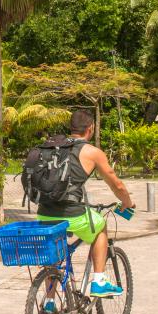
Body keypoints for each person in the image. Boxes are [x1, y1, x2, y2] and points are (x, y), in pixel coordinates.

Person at [36, 110, 136, 299]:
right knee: (100, 226)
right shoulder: (92, 152)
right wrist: (127, 203)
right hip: (72, 215)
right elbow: (116, 183)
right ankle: (98, 281)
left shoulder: (52, 148)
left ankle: (49, 303)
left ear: (71, 128)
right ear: (90, 129)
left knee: (54, 259)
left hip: (44, 214)